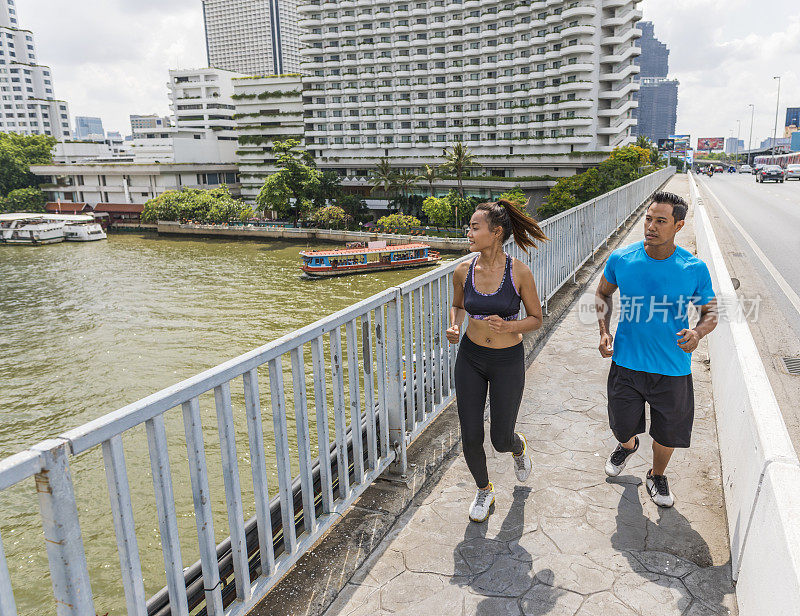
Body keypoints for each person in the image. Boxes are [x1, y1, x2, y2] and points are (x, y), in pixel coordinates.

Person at [595, 191, 718, 507]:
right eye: (648, 219)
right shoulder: (622, 259)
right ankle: (628, 445)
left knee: (667, 433)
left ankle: (656, 475)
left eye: (660, 221)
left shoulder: (693, 267)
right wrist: (604, 331)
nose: (650, 226)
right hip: (626, 362)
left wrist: (698, 333)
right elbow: (603, 294)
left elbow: (711, 313)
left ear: (678, 225)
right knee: (621, 425)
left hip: (672, 367)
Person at [446, 199, 548, 522]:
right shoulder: (462, 270)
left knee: (500, 437)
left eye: (476, 227)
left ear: (496, 232)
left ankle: (518, 447)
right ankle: (484, 489)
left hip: (507, 360)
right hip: (471, 357)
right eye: (470, 227)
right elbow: (458, 305)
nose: (469, 232)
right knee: (471, 435)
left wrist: (509, 326)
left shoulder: (519, 272)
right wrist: (454, 324)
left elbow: (536, 319)